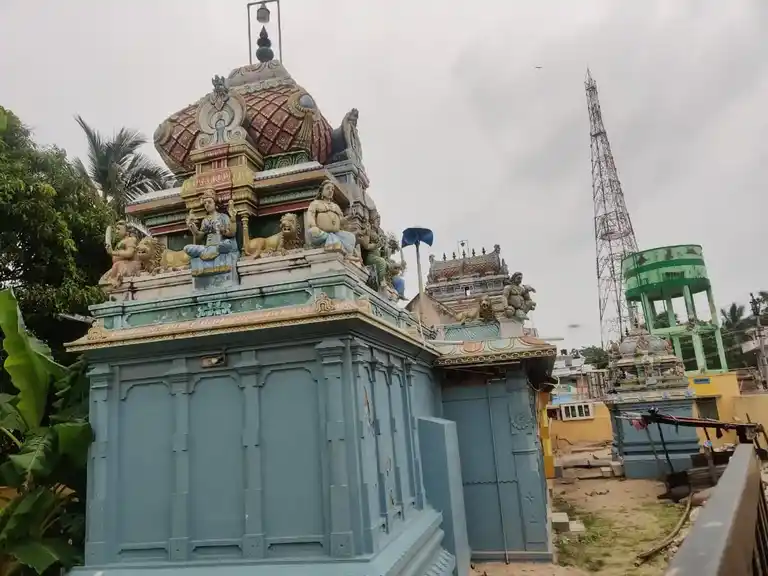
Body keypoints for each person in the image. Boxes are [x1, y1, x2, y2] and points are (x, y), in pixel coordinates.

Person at [184, 189, 238, 261]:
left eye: (209, 202)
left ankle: (218, 249)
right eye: (205, 203)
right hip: (207, 247)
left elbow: (232, 233)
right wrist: (192, 227)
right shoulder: (205, 220)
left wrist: (222, 230)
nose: (207, 204)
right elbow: (199, 237)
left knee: (226, 244)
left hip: (220, 244)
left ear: (215, 204)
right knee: (187, 248)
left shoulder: (223, 216)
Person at [307, 181, 356, 256]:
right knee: (312, 231)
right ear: (321, 191)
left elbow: (341, 222)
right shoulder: (315, 203)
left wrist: (349, 217)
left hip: (337, 233)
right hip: (321, 234)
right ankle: (332, 240)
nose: (330, 191)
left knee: (351, 237)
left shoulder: (336, 206)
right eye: (328, 188)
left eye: (332, 189)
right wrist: (313, 225)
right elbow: (310, 216)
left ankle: (333, 240)